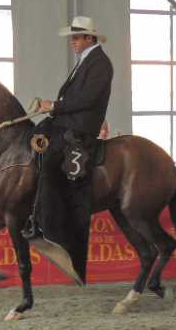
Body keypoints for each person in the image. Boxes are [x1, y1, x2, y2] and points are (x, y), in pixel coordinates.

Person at [24, 16, 113, 285]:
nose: (72, 42)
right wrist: (51, 109)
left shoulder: (100, 64)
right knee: (32, 137)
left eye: (76, 37)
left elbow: (85, 100)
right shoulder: (85, 61)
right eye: (72, 38)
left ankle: (49, 229)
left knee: (52, 163)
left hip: (80, 127)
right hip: (64, 120)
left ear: (89, 38)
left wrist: (54, 104)